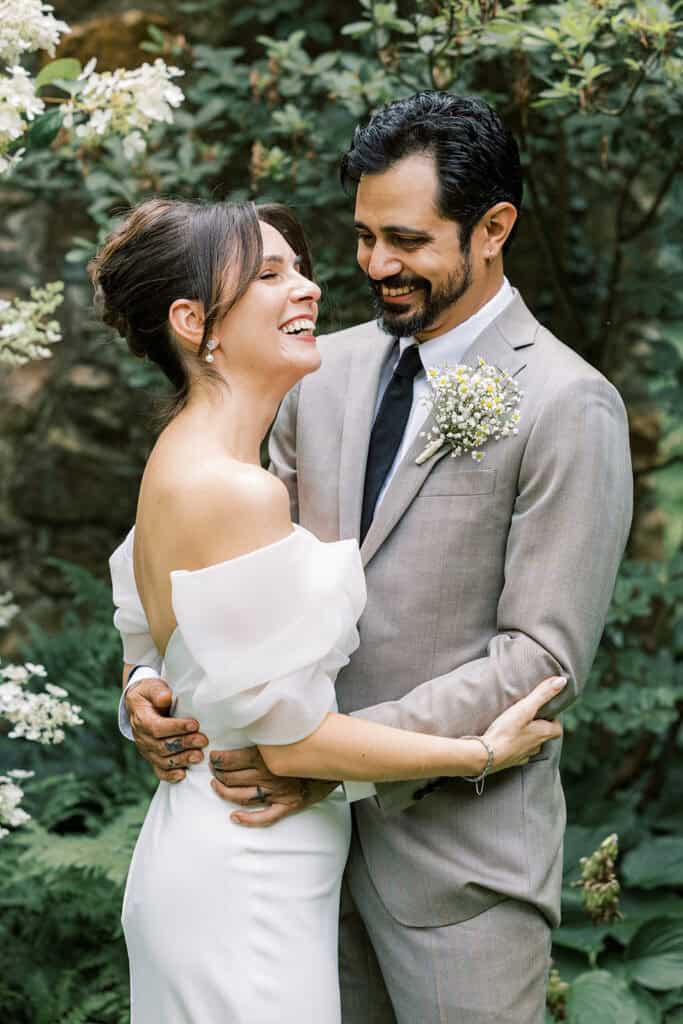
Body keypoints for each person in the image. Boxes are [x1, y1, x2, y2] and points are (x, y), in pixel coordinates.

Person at [122, 93, 633, 1023]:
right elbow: (222, 575)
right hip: (282, 856)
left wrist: (329, 758)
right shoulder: (318, 371)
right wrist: (152, 679)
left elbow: (542, 660)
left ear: (493, 228)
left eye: (405, 240)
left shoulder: (568, 402)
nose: (374, 266)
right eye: (361, 237)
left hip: (452, 871)